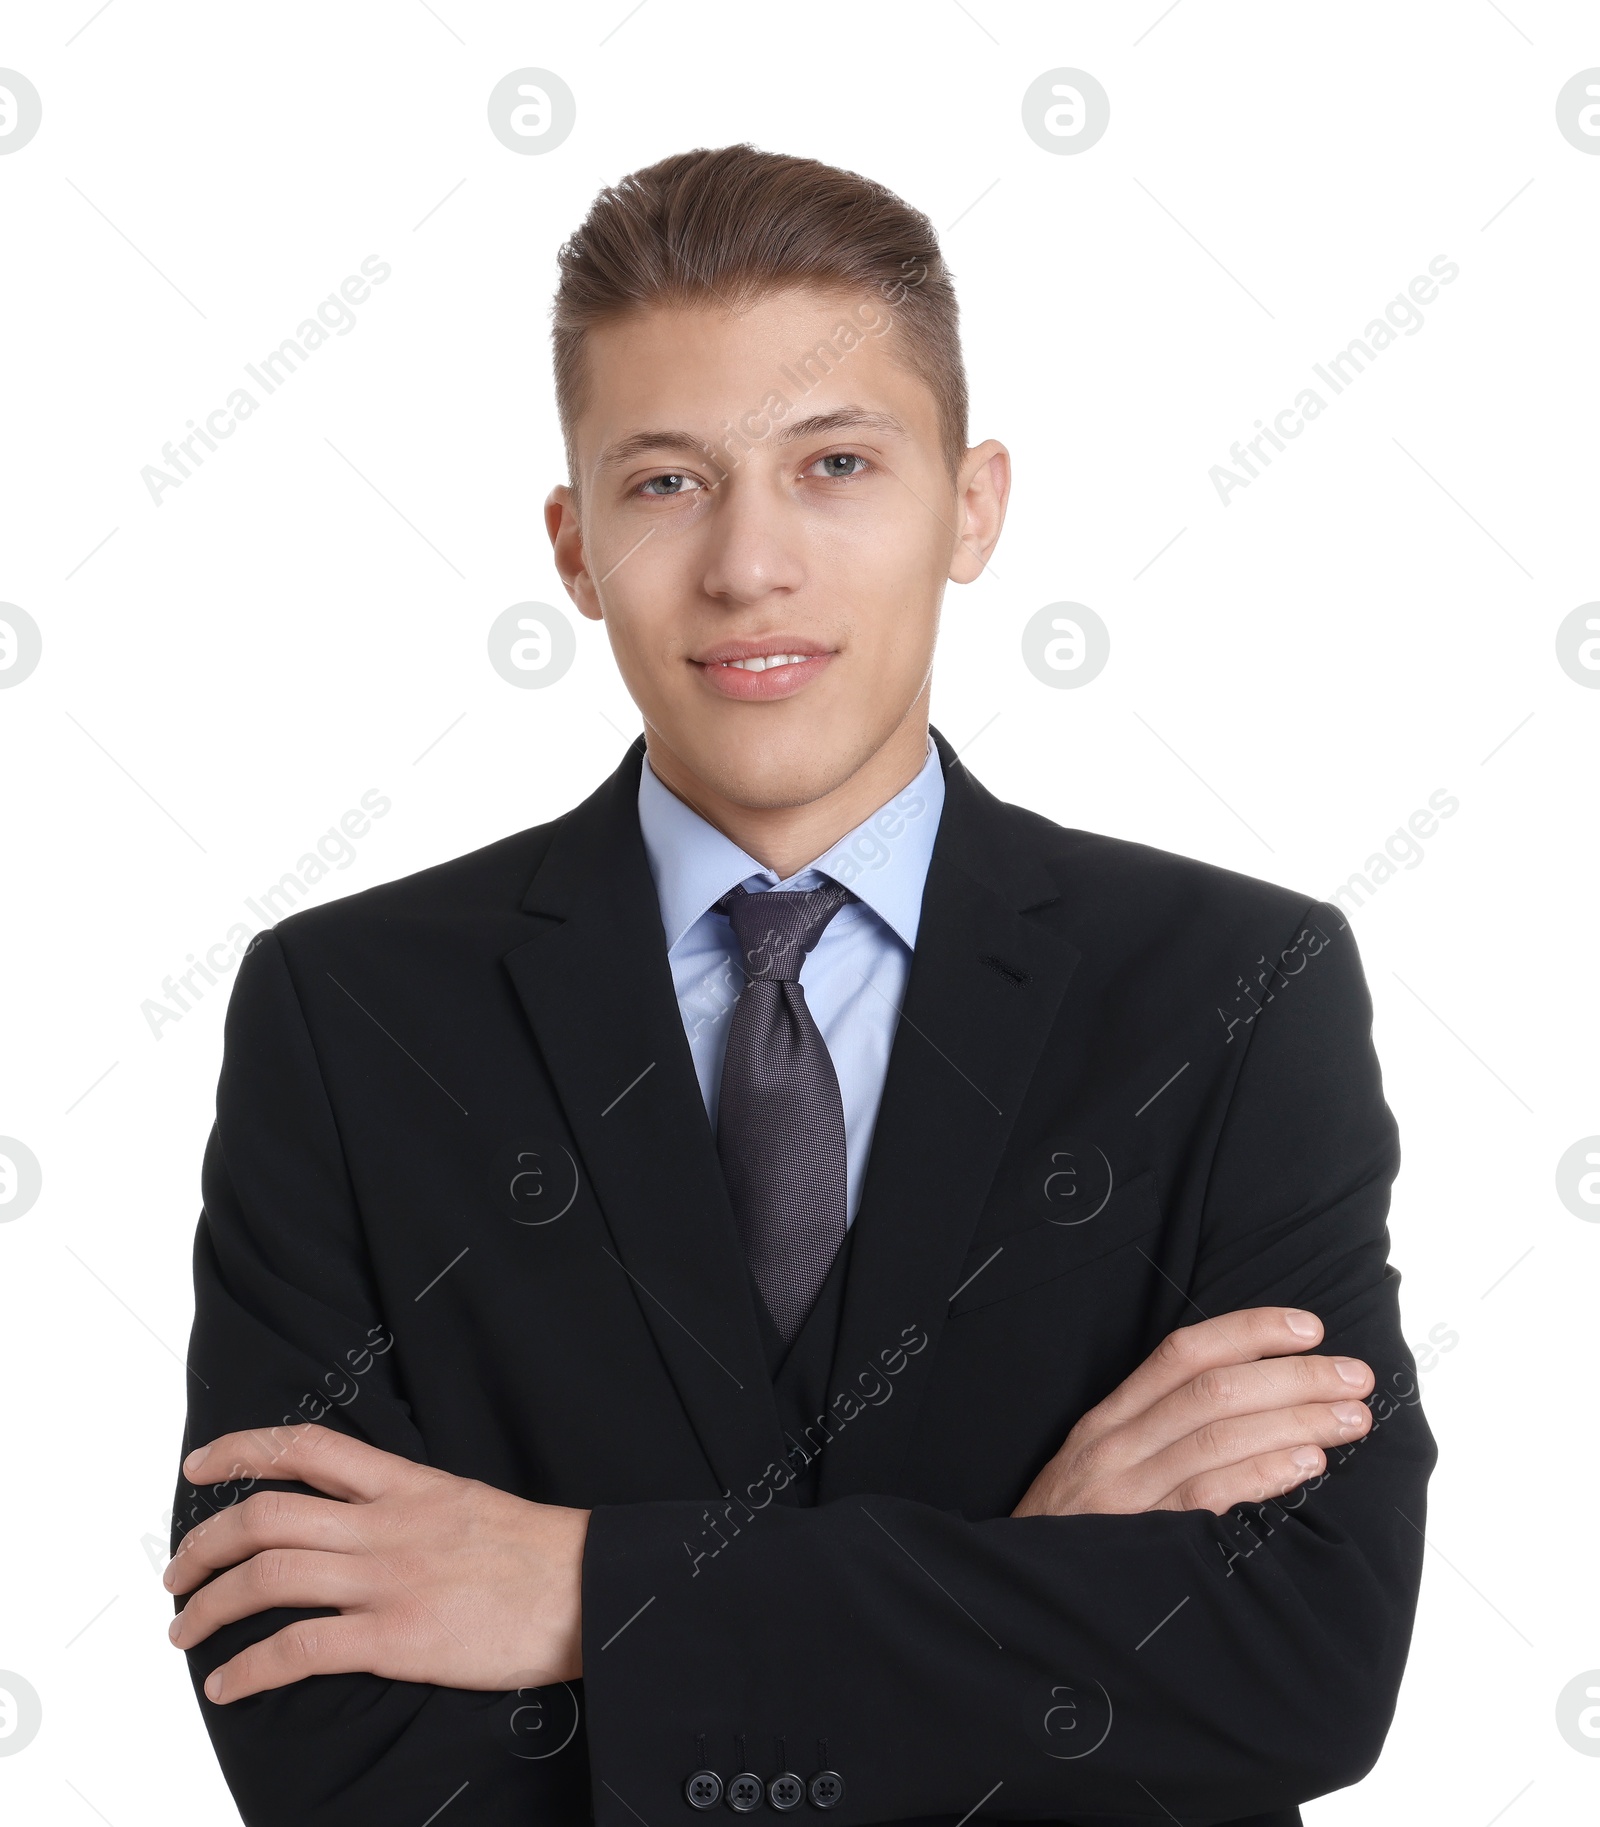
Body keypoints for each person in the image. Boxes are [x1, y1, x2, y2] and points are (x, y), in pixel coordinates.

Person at [165, 145, 1436, 1827]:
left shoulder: (1233, 990)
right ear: (572, 541)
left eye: (835, 464)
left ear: (972, 504)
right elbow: (322, 1735)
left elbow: (1301, 1666)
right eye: (667, 483)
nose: (750, 567)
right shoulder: (349, 1017)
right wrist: (1027, 1580)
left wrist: (572, 1591)